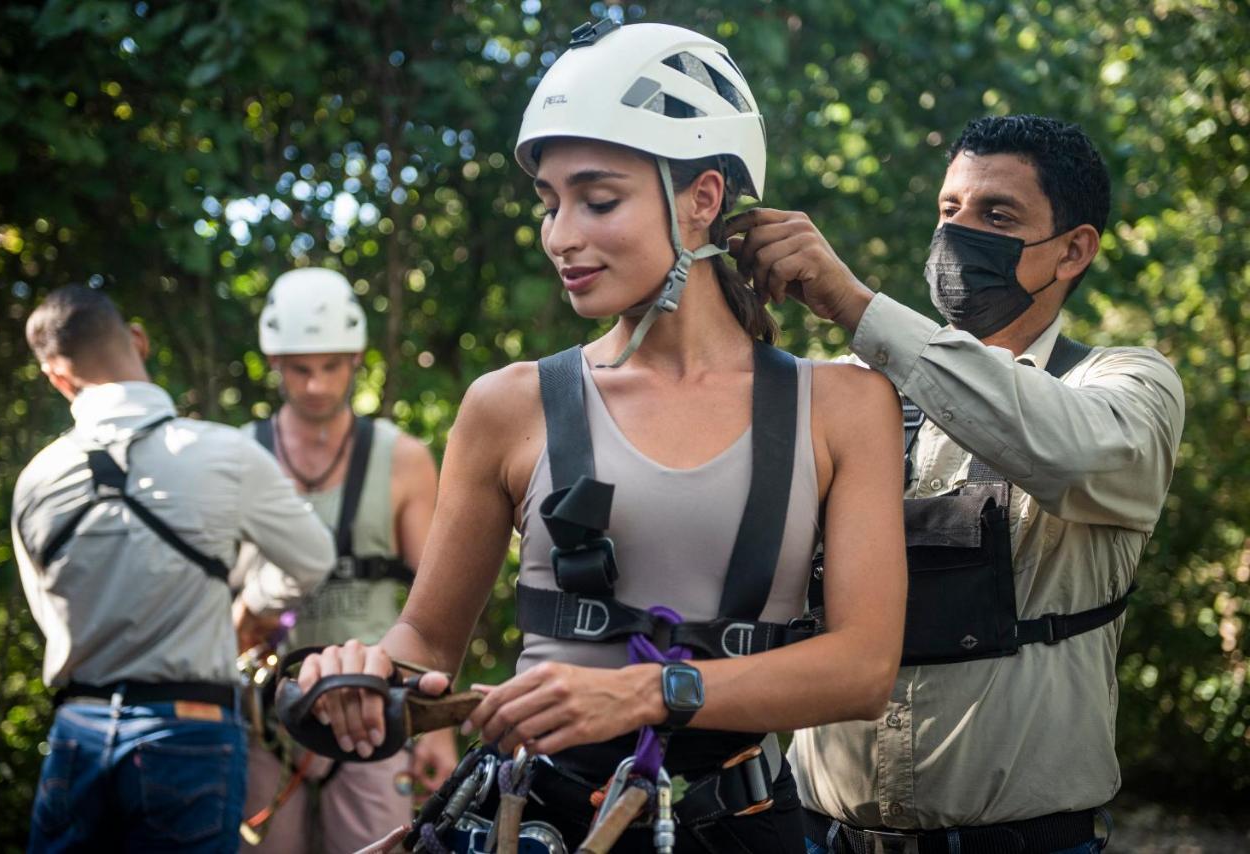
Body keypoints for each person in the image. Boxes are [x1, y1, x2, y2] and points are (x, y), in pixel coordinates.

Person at [293, 21, 907, 853]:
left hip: (738, 825)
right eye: (549, 205)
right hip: (537, 817)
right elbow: (426, 642)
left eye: (598, 199)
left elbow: (864, 669)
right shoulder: (509, 405)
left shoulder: (841, 404)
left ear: (704, 198)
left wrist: (651, 692)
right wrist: (358, 676)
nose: (560, 236)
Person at [730, 115, 1185, 853]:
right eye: (950, 212)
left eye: (996, 215)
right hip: (819, 835)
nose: (958, 235)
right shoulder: (850, 394)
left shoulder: (1127, 386)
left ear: (1074, 250)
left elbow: (1061, 449)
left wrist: (855, 304)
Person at [11, 285, 335, 852]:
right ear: (138, 339)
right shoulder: (224, 454)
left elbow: (49, 612)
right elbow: (314, 557)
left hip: (76, 733)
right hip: (190, 731)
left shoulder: (36, 480)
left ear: (56, 378)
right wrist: (251, 610)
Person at [230, 268, 458, 854]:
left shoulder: (401, 459)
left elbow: (441, 599)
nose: (315, 385)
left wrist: (438, 723)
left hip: (370, 709)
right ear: (275, 362)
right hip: (262, 713)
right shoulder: (236, 456)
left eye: (331, 366)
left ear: (356, 359)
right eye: (300, 368)